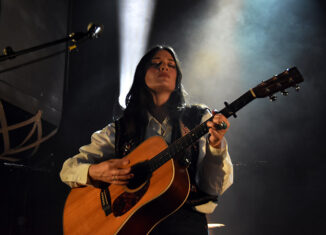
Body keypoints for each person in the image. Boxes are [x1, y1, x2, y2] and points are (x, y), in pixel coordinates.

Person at [60, 45, 233, 234]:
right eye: (156, 63)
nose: (164, 68)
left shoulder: (198, 119)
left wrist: (216, 146)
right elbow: (68, 169)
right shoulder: (119, 129)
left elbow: (213, 187)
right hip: (133, 226)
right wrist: (93, 171)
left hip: (186, 225)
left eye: (171, 65)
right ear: (142, 74)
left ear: (177, 79)